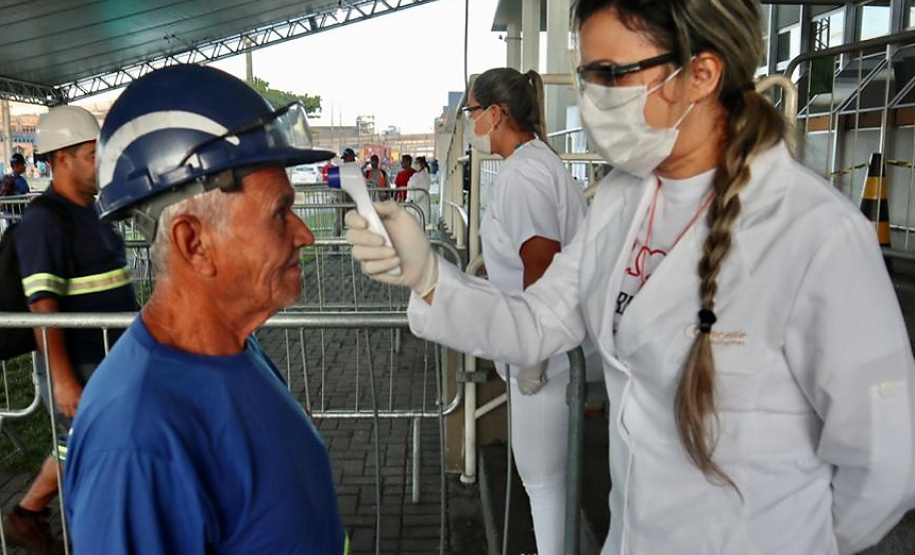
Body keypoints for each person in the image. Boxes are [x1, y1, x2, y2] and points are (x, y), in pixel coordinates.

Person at [345, 1, 915, 554]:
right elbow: (539, 319)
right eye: (588, 75)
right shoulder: (624, 200)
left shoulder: (815, 235)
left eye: (611, 74)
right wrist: (429, 278)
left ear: (702, 74)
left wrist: (788, 539)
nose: (593, 100)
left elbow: (885, 460)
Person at [63, 64, 347, 554]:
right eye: (280, 212)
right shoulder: (136, 443)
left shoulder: (235, 349)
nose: (305, 234)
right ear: (193, 243)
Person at [461, 66, 602, 555]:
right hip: (555, 346)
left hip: (549, 356)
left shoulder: (524, 173)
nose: (470, 123)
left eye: (472, 112)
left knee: (542, 484)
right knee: (549, 482)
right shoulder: (534, 163)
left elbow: (539, 261)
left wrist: (532, 355)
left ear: (495, 114)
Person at [2, 105, 138, 555]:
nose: (101, 163)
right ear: (61, 158)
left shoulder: (96, 210)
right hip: (78, 359)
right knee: (85, 446)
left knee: (85, 443)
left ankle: (29, 514)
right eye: (90, 154)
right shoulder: (45, 220)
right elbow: (43, 306)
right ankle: (42, 518)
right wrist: (62, 378)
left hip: (111, 355)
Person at [406, 156, 432, 227]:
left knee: (419, 224)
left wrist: (412, 199)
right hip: (412, 204)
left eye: (417, 163)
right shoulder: (415, 175)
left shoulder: (425, 176)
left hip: (419, 204)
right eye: (415, 163)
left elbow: (422, 191)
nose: (415, 165)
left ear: (422, 164)